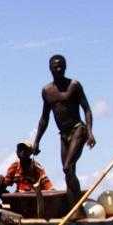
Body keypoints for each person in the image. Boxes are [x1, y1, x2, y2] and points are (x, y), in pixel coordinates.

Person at [32, 54, 94, 204]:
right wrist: (37, 141)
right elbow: (44, 118)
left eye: (61, 66)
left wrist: (90, 132)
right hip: (64, 135)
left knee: (68, 167)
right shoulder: (47, 91)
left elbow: (87, 109)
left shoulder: (74, 85)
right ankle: (75, 208)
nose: (58, 69)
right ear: (50, 69)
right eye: (55, 67)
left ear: (65, 67)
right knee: (68, 173)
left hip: (78, 129)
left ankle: (77, 206)